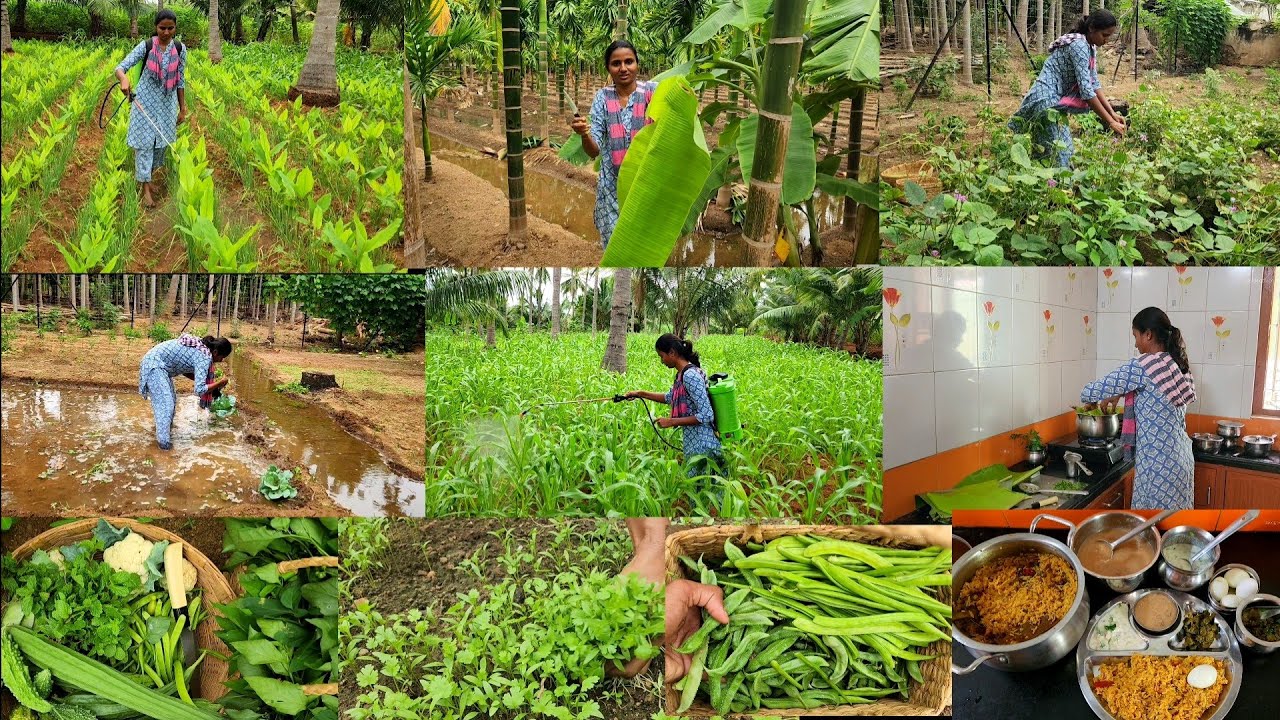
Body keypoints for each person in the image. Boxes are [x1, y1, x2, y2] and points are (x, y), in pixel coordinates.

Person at [1080, 307, 1196, 509]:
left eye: (1136, 336)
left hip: (1158, 465)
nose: (1135, 344)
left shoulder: (1143, 365)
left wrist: (1110, 391)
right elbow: (1154, 392)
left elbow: (1089, 392)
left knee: (1150, 530)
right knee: (1175, 530)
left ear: (1148, 334)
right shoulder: (1175, 363)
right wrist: (1122, 391)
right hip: (1181, 459)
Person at [568, 40, 656, 248]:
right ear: (608, 68)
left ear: (637, 64)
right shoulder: (602, 98)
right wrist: (584, 134)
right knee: (616, 245)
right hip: (612, 188)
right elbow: (594, 150)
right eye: (616, 63)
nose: (623, 68)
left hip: (645, 184)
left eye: (629, 61)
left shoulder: (653, 92)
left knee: (642, 244)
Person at [1009, 10, 1126, 167]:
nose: (1106, 40)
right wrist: (1110, 123)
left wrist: (1112, 113)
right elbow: (1086, 91)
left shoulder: (1090, 47)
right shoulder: (1078, 45)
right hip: (1046, 101)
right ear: (1092, 28)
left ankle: (1046, 185)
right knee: (1060, 153)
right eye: (1104, 35)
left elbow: (1094, 83)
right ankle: (1057, 187)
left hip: (1054, 102)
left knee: (1050, 152)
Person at [114, 9, 188, 208]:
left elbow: (180, 81)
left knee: (160, 146)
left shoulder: (180, 49)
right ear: (156, 27)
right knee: (145, 145)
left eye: (170, 28)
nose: (166, 32)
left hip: (166, 106)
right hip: (144, 105)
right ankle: (144, 188)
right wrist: (124, 79)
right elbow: (120, 68)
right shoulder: (146, 46)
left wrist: (182, 108)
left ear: (175, 28)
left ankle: (147, 179)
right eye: (162, 28)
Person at [626, 334, 724, 479]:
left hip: (703, 443)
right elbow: (670, 397)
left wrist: (672, 421)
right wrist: (640, 393)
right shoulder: (681, 374)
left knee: (704, 491)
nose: (662, 361)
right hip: (694, 441)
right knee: (698, 490)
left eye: (662, 356)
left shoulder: (690, 375)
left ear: (672, 352)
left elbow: (707, 414)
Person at [139, 334, 231, 450]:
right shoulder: (205, 356)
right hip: (154, 365)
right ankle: (164, 447)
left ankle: (165, 433)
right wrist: (220, 383)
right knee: (166, 405)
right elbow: (199, 390)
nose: (222, 361)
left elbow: (183, 369)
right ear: (216, 352)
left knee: (171, 402)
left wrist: (206, 381)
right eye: (223, 357)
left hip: (159, 366)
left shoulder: (201, 350)